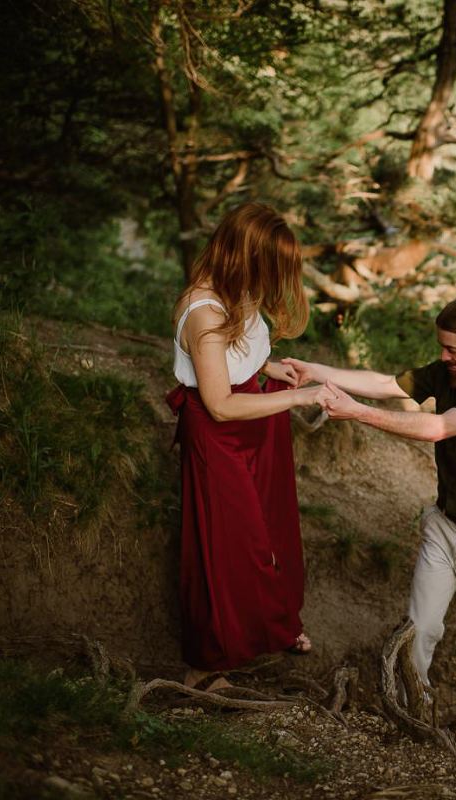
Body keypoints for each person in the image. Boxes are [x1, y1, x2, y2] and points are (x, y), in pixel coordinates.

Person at [304, 295, 456, 739]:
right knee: (419, 627)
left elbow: (438, 427)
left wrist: (356, 412)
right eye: (442, 347)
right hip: (445, 528)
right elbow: (386, 383)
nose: (444, 356)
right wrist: (315, 371)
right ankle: (412, 710)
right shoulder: (449, 371)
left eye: (453, 349)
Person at [165, 202, 323, 691]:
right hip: (221, 434)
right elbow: (217, 404)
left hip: (256, 420)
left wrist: (269, 370)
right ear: (246, 258)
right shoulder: (205, 311)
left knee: (270, 531)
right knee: (229, 546)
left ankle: (270, 624)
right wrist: (299, 396)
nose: (274, 281)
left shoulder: (240, 292)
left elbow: (238, 360)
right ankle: (206, 667)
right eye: (270, 269)